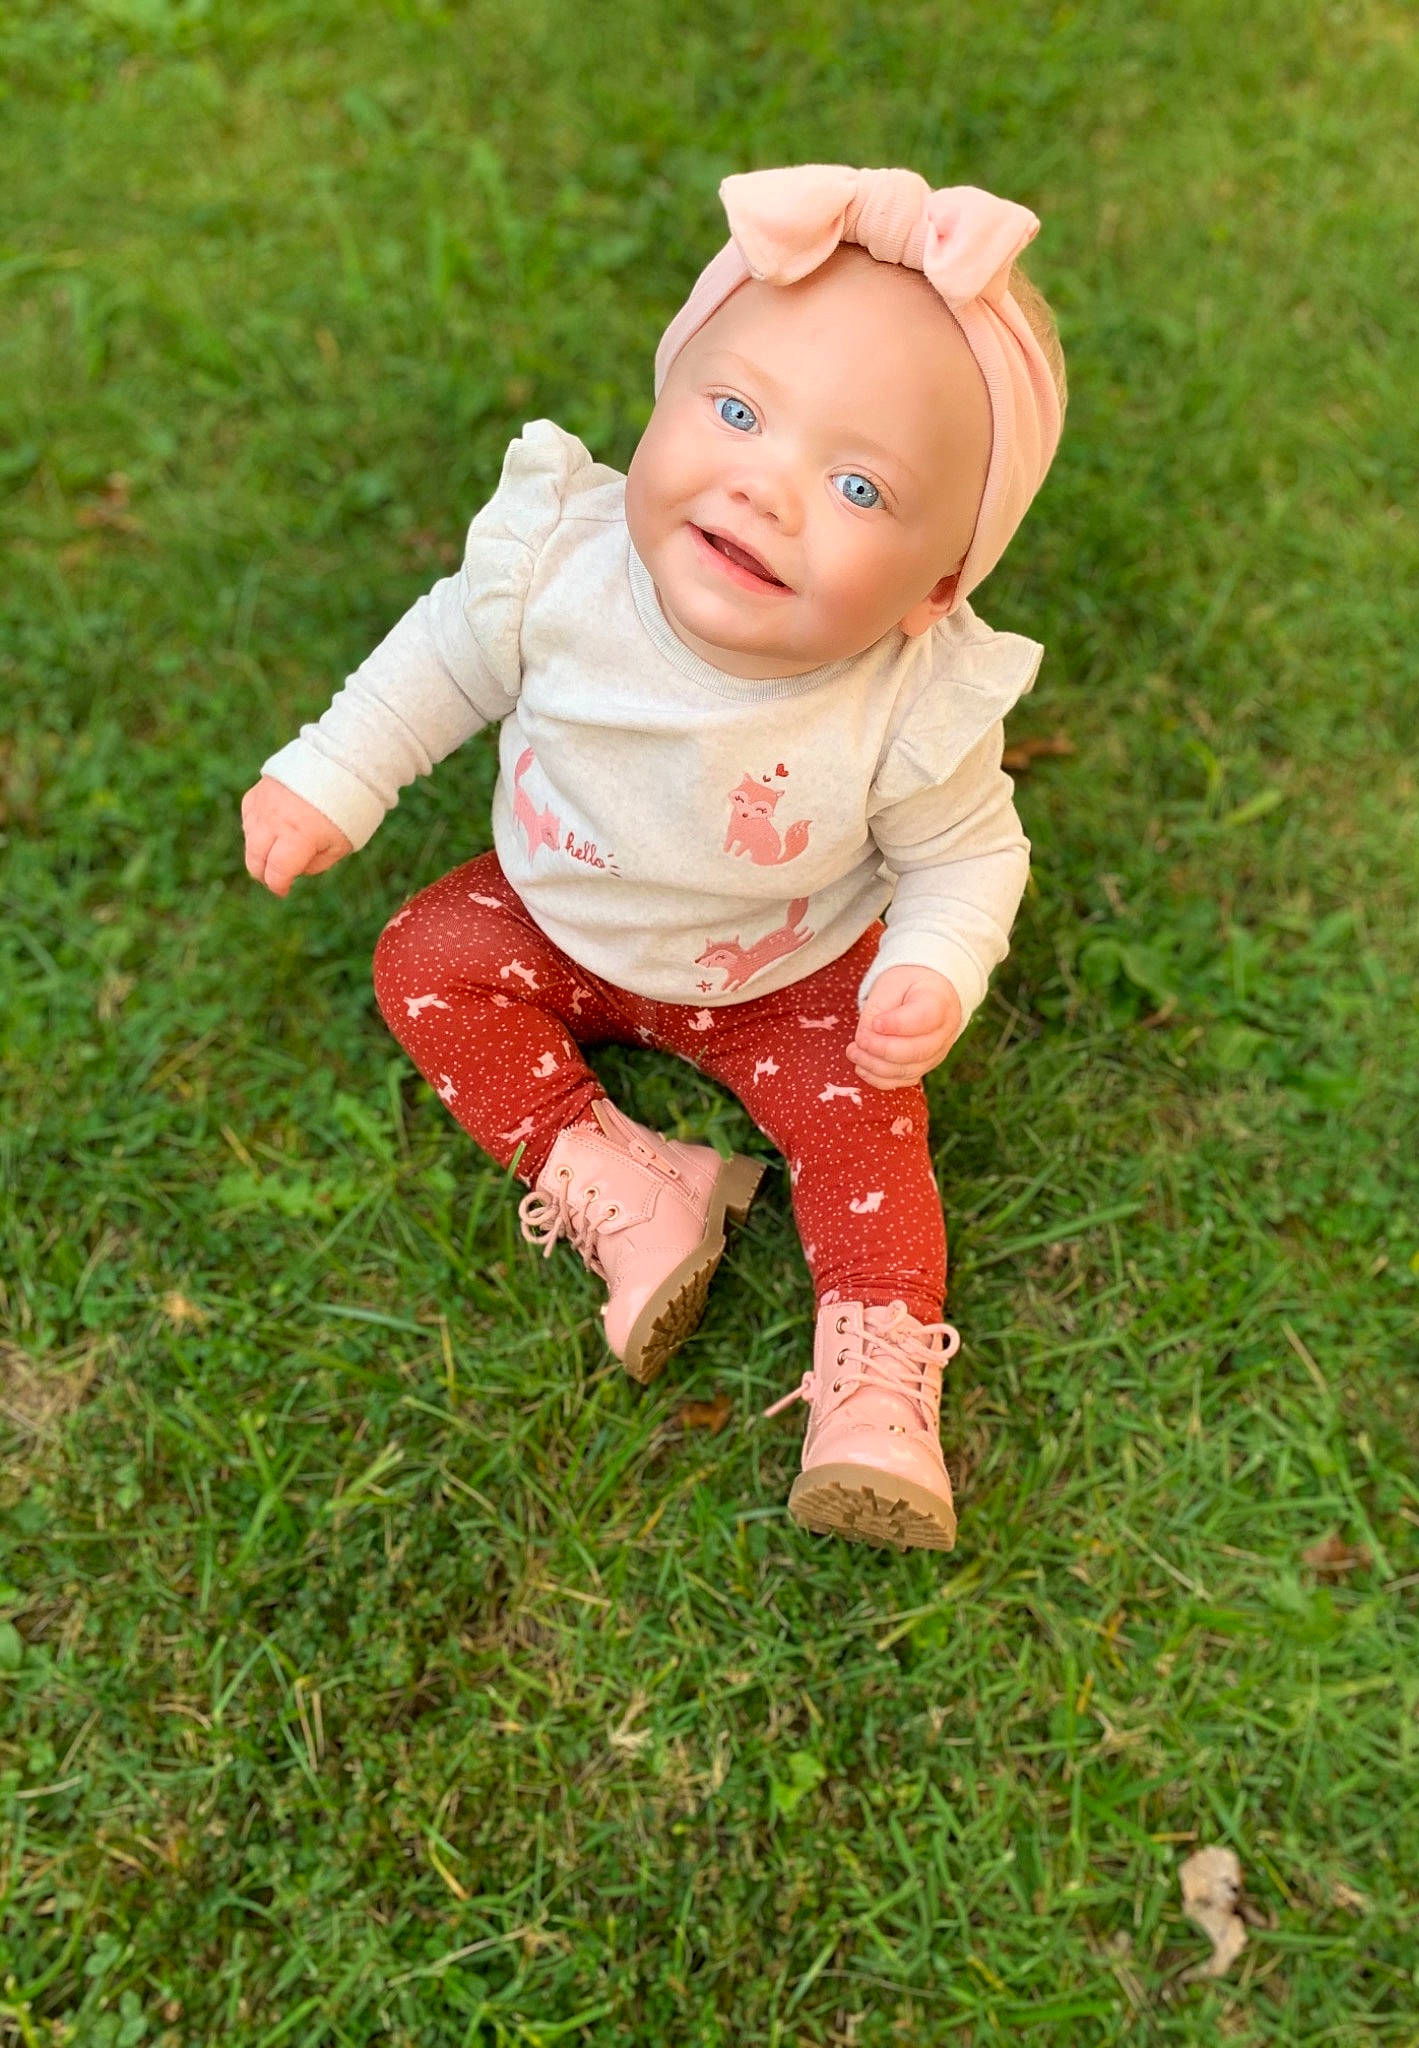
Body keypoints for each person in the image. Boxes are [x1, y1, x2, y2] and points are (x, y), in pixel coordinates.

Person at [240, 164, 1067, 1553]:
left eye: (858, 482)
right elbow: (436, 662)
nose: (766, 486)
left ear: (937, 590)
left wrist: (929, 967)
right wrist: (334, 772)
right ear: (664, 397)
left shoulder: (905, 700)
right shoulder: (558, 564)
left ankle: (875, 1378)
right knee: (425, 961)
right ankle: (630, 1181)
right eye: (737, 411)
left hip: (791, 976)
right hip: (554, 917)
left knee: (867, 1127)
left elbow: (969, 856)